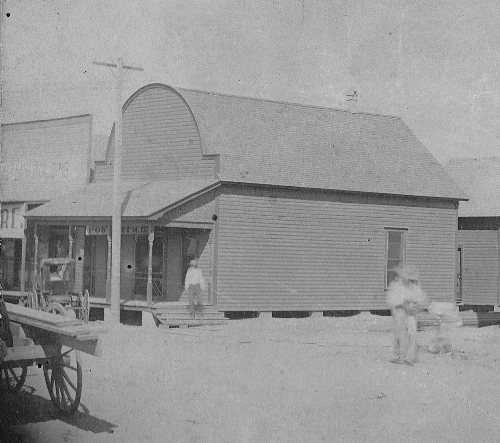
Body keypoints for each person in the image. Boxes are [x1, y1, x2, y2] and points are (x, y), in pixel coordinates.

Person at [386, 264, 428, 366]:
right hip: (400, 314)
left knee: (412, 335)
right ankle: (401, 357)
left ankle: (411, 358)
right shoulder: (396, 286)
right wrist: (402, 303)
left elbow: (422, 299)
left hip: (411, 315)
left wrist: (414, 304)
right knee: (401, 335)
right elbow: (391, 300)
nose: (410, 282)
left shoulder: (415, 287)